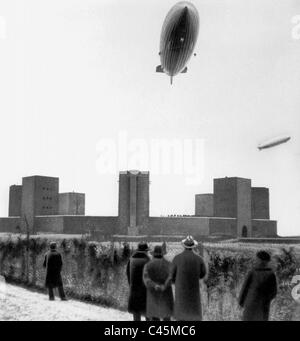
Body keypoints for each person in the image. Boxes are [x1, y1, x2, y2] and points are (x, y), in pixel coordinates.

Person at [171, 235, 207, 321]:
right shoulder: (199, 259)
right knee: (193, 314)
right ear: (193, 246)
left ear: (184, 246)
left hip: (181, 291)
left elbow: (172, 276)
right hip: (193, 290)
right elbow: (202, 274)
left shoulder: (177, 258)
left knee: (181, 314)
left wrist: (175, 282)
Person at [238, 250, 277, 321]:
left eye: (257, 259)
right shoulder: (271, 274)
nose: (256, 261)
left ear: (261, 260)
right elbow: (273, 292)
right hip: (263, 305)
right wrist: (266, 299)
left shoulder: (252, 272)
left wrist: (241, 302)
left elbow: (244, 289)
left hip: (250, 303)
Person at [143, 245, 174, 321]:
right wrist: (164, 286)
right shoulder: (169, 264)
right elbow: (171, 278)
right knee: (167, 317)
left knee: (154, 317)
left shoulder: (148, 265)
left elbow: (146, 280)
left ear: (153, 254)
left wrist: (155, 285)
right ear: (162, 254)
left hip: (153, 294)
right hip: (166, 293)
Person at [126, 242, 150, 321]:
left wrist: (131, 286)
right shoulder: (148, 260)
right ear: (146, 251)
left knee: (136, 316)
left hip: (134, 291)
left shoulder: (131, 260)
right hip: (145, 292)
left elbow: (128, 274)